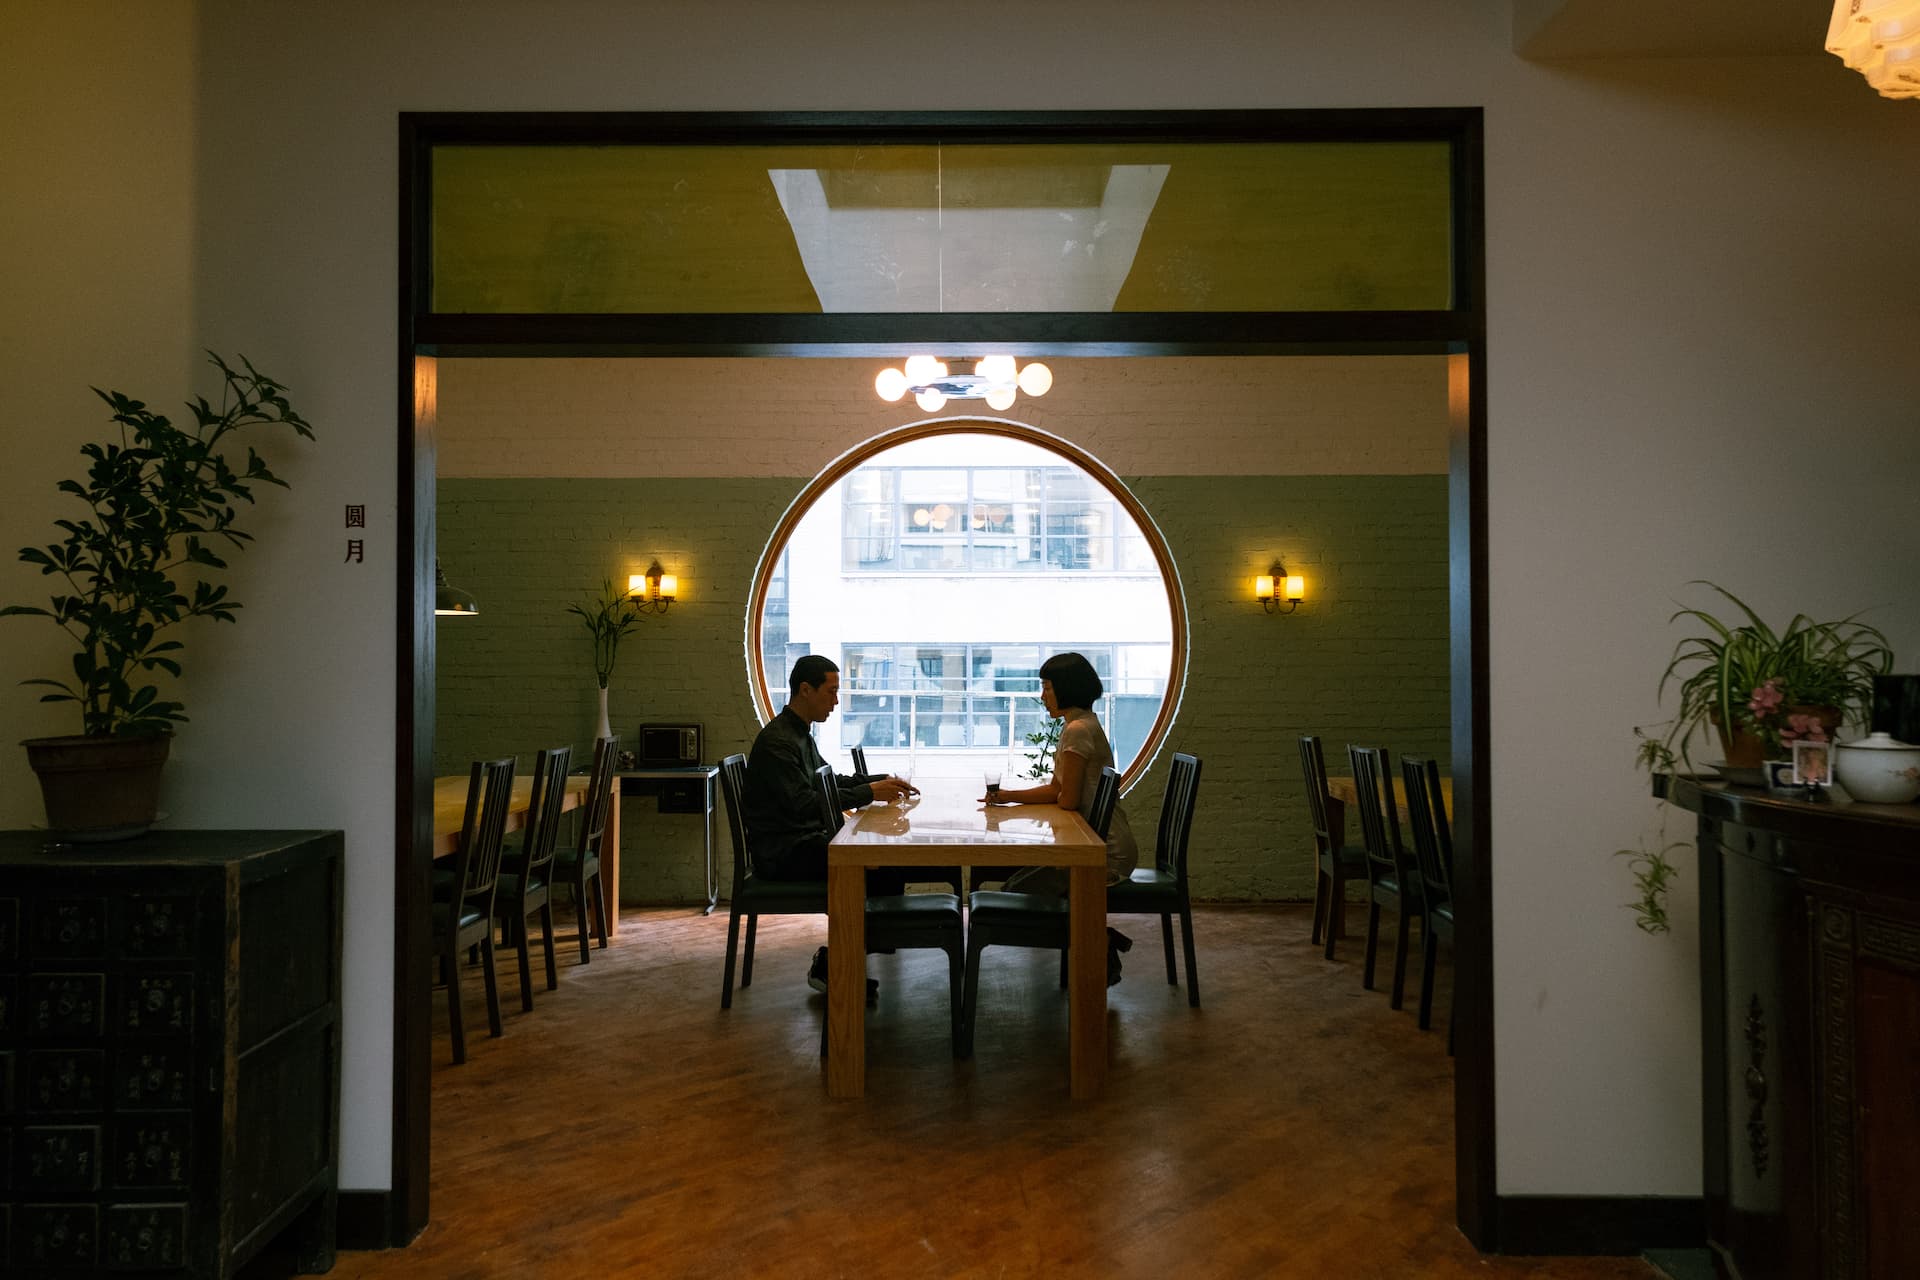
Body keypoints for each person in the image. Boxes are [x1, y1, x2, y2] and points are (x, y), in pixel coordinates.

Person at [742, 653, 918, 997]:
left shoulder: (798, 734)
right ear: (806, 690)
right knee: (878, 865)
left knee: (885, 861)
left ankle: (847, 956)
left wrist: (878, 781)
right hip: (783, 853)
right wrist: (868, 791)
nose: (837, 701)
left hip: (801, 841)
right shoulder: (779, 742)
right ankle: (838, 963)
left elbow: (828, 781)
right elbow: (805, 803)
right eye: (832, 691)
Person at [983, 651, 1138, 984]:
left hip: (1103, 853)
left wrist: (1011, 801)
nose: (1042, 696)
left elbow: (1065, 800)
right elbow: (1058, 789)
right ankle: (1098, 936)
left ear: (1066, 688)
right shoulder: (1082, 724)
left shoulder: (1078, 730)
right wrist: (1006, 797)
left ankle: (1098, 939)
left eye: (1047, 688)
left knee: (1015, 892)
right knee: (1016, 886)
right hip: (1100, 843)